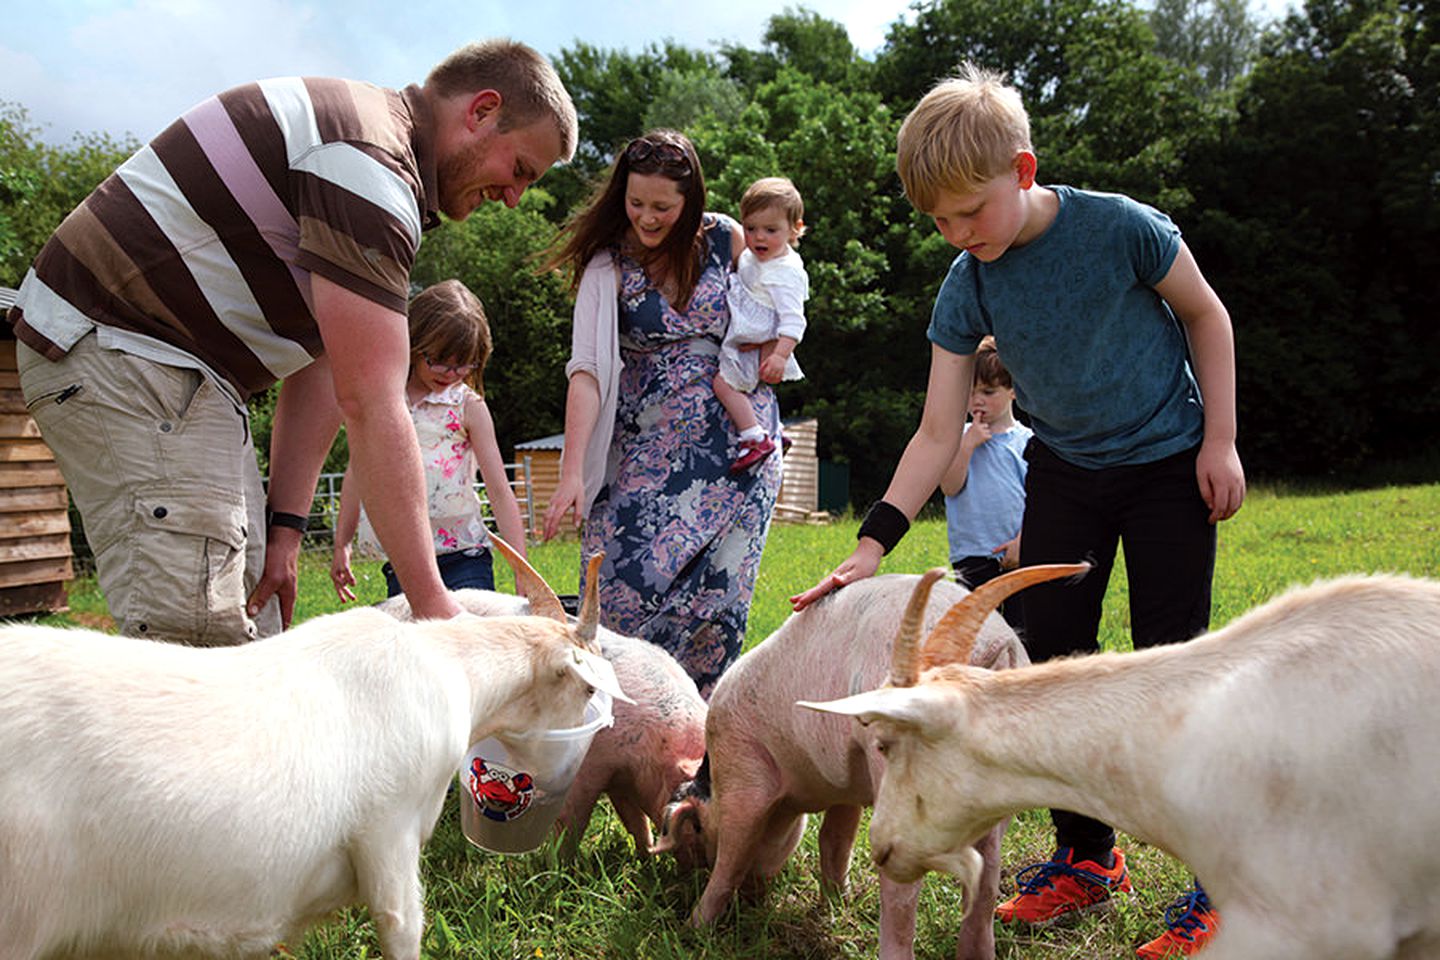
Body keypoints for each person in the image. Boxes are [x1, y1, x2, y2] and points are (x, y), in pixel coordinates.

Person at [790, 64, 1245, 959]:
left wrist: (1219, 442)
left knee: (1172, 665)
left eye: (971, 211)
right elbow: (933, 431)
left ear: (1024, 170)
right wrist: (873, 543)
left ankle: (1218, 881)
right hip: (1067, 471)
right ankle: (1087, 858)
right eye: (939, 221)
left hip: (1166, 466)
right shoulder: (969, 284)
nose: (958, 233)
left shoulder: (1122, 228)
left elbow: (1208, 315)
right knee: (1058, 669)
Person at [7, 40, 576, 644]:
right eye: (519, 170)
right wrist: (436, 608)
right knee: (205, 648)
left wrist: (284, 531)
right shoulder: (368, 165)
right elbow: (372, 402)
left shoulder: (375, 161)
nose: (514, 197)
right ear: (482, 111)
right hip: (128, 350)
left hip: (182, 372)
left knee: (256, 621)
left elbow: (326, 362)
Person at [541, 130, 783, 697]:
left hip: (736, 453)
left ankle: (694, 745)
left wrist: (780, 347)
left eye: (662, 206)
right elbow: (588, 371)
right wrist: (572, 468)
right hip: (644, 450)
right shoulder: (609, 263)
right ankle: (614, 723)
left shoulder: (727, 238)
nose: (647, 217)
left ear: (690, 200)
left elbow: (780, 291)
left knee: (718, 606)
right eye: (635, 202)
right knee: (621, 586)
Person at [330, 279, 527, 602]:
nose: (450, 373)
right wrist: (343, 542)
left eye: (463, 364)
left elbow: (500, 491)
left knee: (467, 642)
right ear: (413, 343)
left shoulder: (468, 406)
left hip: (466, 554)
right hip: (406, 558)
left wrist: (522, 567)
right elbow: (358, 473)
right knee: (419, 643)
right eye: (438, 360)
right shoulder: (385, 403)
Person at [716, 176, 809, 473]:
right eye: (751, 228)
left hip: (757, 337)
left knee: (723, 383)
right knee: (752, 389)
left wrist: (780, 354)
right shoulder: (758, 256)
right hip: (752, 333)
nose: (758, 238)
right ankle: (775, 429)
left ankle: (754, 436)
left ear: (795, 229)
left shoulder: (785, 272)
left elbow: (794, 320)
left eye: (771, 230)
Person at [940, 335, 1030, 633]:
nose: (978, 400)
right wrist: (967, 446)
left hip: (1017, 553)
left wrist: (1023, 540)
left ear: (1014, 390)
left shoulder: (1026, 442)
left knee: (1021, 628)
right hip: (972, 553)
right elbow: (949, 486)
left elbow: (1040, 500)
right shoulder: (957, 438)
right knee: (974, 632)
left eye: (989, 392)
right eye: (971, 392)